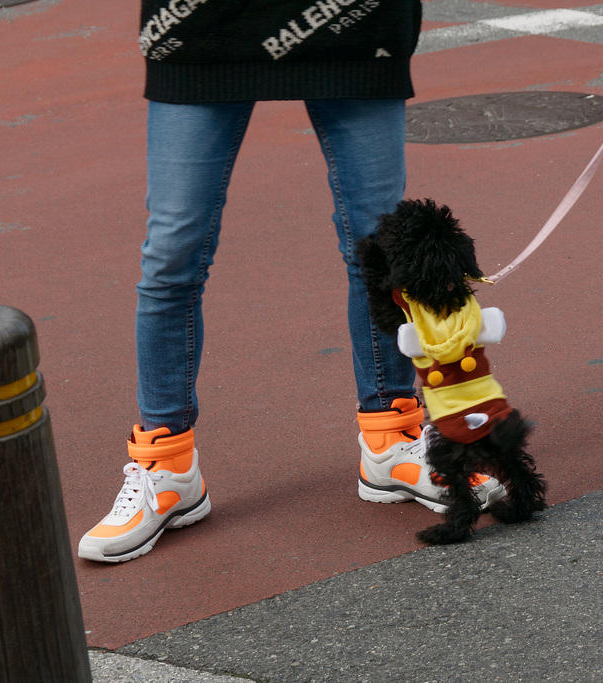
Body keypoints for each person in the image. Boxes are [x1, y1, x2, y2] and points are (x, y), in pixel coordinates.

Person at [78, 0, 504, 563]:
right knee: (171, 255)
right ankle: (168, 466)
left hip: (357, 25)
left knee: (378, 247)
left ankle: (391, 440)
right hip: (202, 28)